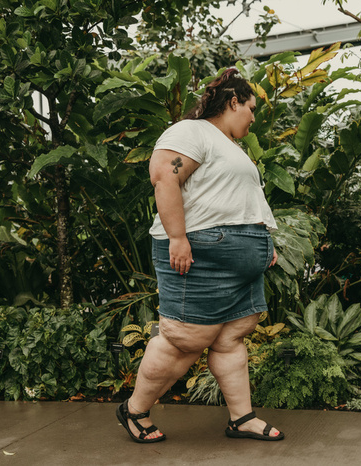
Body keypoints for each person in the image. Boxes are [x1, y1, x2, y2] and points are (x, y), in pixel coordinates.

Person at [116, 68, 284, 443]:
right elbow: (164, 175)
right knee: (182, 340)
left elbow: (238, 201)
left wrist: (263, 243)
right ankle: (134, 411)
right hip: (197, 258)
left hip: (238, 264)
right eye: (251, 108)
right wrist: (177, 237)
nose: (254, 118)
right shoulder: (191, 131)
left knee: (230, 338)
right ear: (233, 101)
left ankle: (242, 418)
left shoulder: (229, 145)